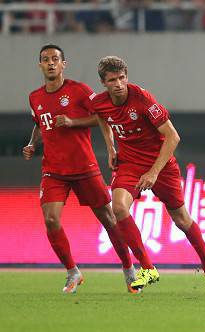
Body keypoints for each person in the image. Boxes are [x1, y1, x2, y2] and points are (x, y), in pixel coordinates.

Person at [91, 56, 205, 294]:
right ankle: (148, 268)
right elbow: (102, 116)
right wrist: (110, 147)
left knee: (182, 220)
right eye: (112, 80)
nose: (119, 84)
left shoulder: (142, 99)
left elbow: (173, 137)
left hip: (160, 164)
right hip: (129, 164)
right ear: (103, 82)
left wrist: (154, 172)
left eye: (122, 78)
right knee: (118, 207)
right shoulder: (100, 102)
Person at [24, 44, 135, 293]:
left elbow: (102, 116)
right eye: (45, 60)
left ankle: (129, 268)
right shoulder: (35, 97)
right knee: (51, 219)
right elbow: (40, 123)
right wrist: (32, 143)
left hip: (84, 167)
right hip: (53, 170)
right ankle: (73, 271)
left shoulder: (79, 91)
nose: (51, 63)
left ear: (64, 64)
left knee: (108, 217)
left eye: (55, 59)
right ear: (40, 65)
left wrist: (79, 126)